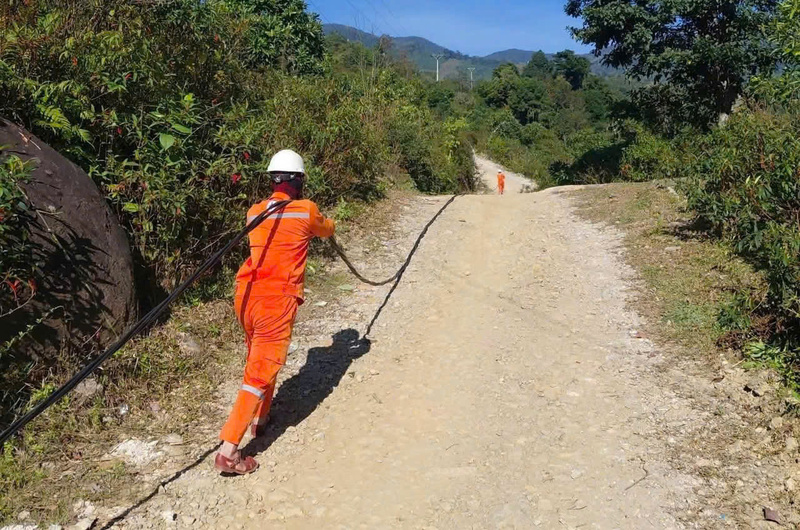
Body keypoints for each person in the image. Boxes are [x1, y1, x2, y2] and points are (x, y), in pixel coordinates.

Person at [215, 149, 335, 475]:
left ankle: (260, 418)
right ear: (298, 181)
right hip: (275, 301)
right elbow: (325, 228)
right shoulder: (306, 210)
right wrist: (331, 223)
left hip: (246, 297)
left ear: (273, 180)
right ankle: (229, 451)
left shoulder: (254, 211)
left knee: (260, 358)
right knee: (258, 372)